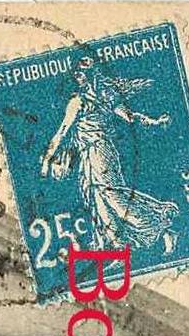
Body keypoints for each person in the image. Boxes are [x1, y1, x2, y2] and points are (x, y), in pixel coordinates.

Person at [40, 58, 179, 255]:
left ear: (88, 76)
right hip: (96, 152)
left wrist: (47, 160)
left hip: (97, 151)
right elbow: (131, 117)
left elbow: (61, 133)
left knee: (111, 195)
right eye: (77, 73)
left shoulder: (79, 102)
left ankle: (159, 227)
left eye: (82, 73)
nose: (78, 76)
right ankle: (117, 244)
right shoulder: (105, 96)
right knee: (97, 196)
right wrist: (153, 122)